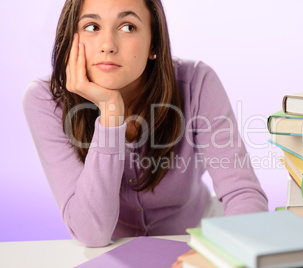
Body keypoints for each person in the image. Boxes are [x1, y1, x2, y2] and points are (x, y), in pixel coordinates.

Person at [23, 0, 268, 247]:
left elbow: (243, 194)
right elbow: (92, 233)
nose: (107, 46)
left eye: (128, 27)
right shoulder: (45, 101)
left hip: (198, 241)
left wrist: (234, 254)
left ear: (154, 44)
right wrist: (110, 113)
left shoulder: (197, 82)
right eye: (92, 26)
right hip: (113, 253)